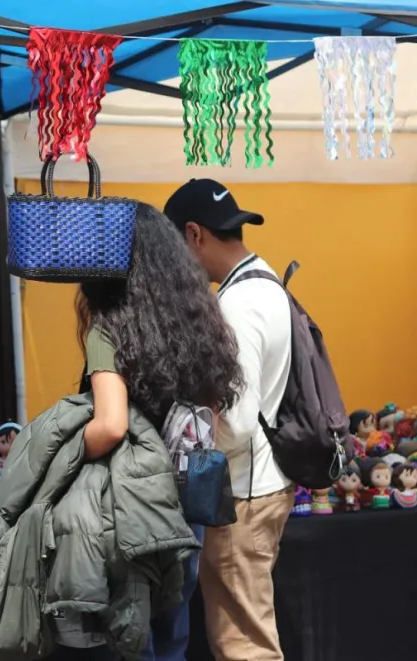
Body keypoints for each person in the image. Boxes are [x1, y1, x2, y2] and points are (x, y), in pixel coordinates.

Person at [73, 202, 243, 660]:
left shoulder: (109, 330)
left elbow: (109, 425)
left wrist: (65, 451)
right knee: (173, 632)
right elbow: (211, 414)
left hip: (131, 506)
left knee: (133, 636)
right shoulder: (200, 320)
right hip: (188, 500)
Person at [164, 178, 294, 661]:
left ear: (194, 234)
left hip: (241, 496)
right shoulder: (266, 280)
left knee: (244, 646)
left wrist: (182, 446)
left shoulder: (235, 306)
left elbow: (236, 425)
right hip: (266, 484)